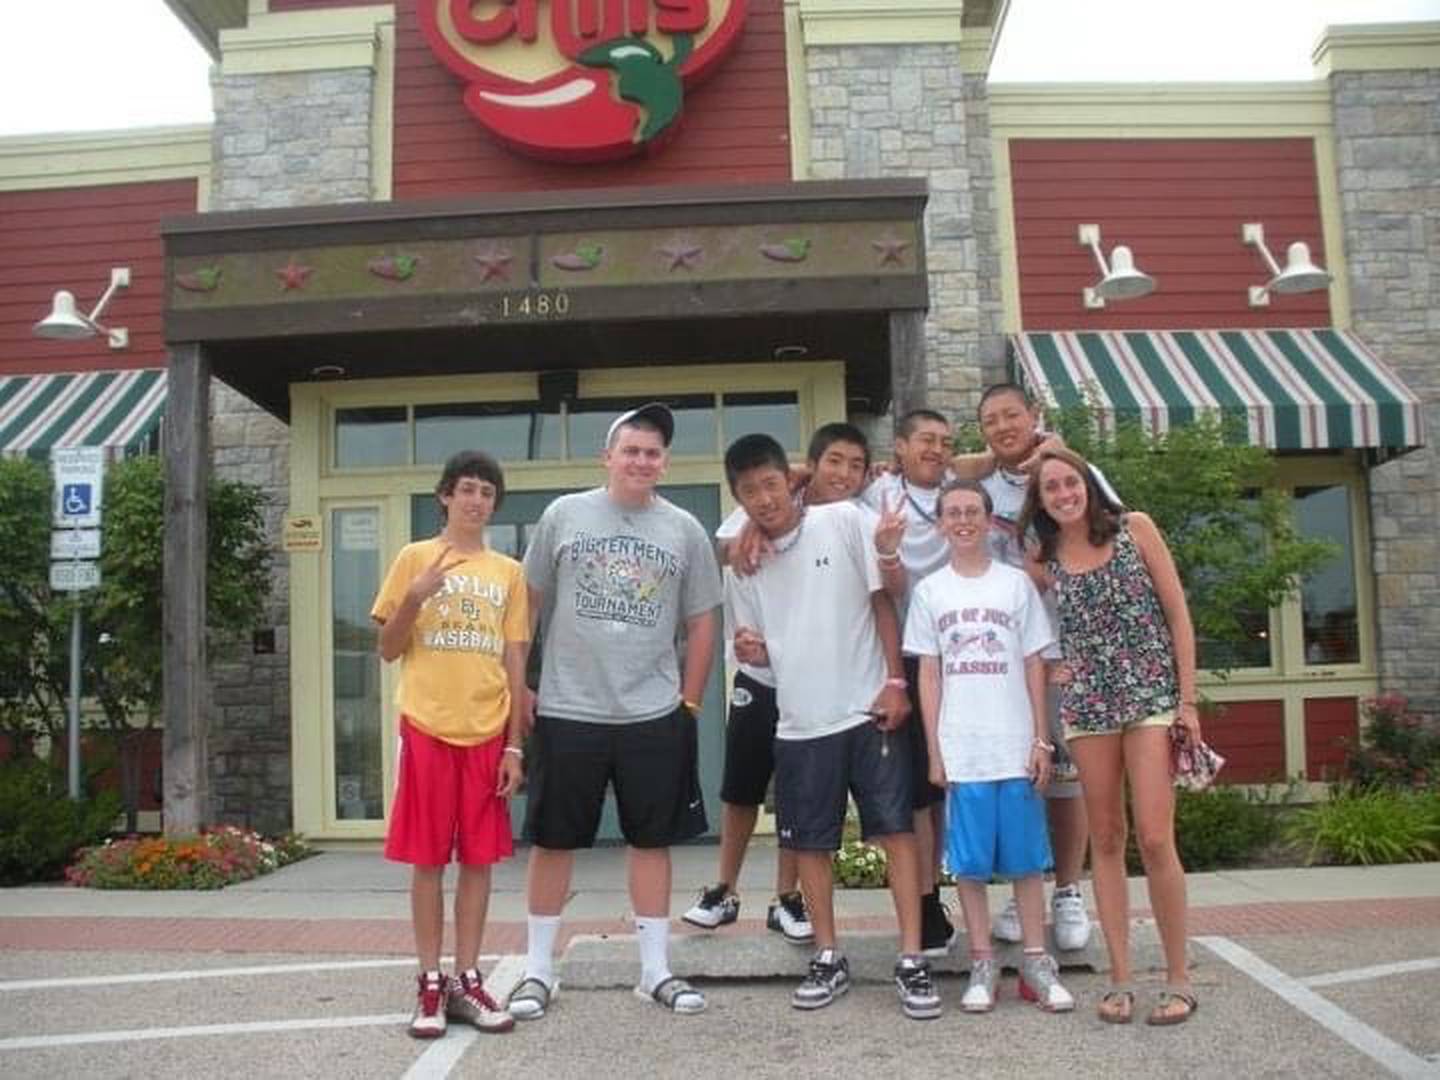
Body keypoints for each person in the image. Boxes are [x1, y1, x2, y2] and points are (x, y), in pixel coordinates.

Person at [507, 402, 722, 1020]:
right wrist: (521, 683)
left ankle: (655, 971)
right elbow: (528, 606)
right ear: (608, 457)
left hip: (651, 712)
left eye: (652, 452)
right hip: (569, 709)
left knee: (651, 841)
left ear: (665, 463)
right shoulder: (563, 515)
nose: (641, 461)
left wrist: (689, 702)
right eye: (631, 450)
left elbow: (704, 621)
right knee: (553, 840)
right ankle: (538, 971)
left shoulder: (683, 529)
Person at [724, 433, 942, 1021]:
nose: (764, 498)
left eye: (771, 483)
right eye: (749, 492)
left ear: (790, 479)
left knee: (896, 832)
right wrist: (753, 649)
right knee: (809, 844)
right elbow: (756, 649)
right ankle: (827, 953)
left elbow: (885, 599)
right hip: (799, 722)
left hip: (868, 708)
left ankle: (912, 957)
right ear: (738, 499)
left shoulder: (843, 519)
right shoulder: (744, 561)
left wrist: (896, 682)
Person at [683, 422, 890, 943]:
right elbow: (725, 544)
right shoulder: (764, 499)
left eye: (855, 464)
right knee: (742, 787)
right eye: (833, 461)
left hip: (826, 681)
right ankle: (723, 889)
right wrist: (767, 509)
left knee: (798, 797)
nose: (843, 473)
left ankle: (787, 898)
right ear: (811, 465)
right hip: (762, 675)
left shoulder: (853, 518)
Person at [1019, 446, 1201, 1026]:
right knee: (1104, 835)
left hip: (1148, 695)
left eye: (1070, 482)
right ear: (1041, 502)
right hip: (1089, 704)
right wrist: (1056, 668)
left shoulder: (1136, 528)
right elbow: (1040, 633)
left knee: (1152, 836)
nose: (1064, 494)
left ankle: (1178, 979)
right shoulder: (1043, 557)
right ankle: (1120, 979)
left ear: (1088, 484)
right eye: (1051, 489)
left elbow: (1177, 615)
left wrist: (1188, 702)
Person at [371, 450, 528, 1039]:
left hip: (487, 731)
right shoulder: (415, 557)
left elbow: (515, 660)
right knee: (429, 859)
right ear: (445, 496)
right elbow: (387, 649)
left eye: (487, 492)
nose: (476, 500)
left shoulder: (506, 572)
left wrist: (515, 746)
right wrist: (416, 595)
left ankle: (467, 977)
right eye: (466, 489)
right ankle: (430, 982)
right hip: (428, 726)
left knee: (481, 862)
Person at [904, 481, 1075, 1014]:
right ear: (940, 524)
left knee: (1026, 863)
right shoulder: (931, 592)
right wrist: (934, 751)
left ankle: (1035, 961)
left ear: (987, 518)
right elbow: (928, 676)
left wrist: (1041, 739)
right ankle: (982, 961)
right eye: (952, 512)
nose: (962, 520)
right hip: (963, 746)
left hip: (1015, 744)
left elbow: (1034, 665)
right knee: (972, 865)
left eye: (972, 511)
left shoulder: (1016, 586)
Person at [973, 383, 1096, 952]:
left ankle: (1069, 891)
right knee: (1021, 776)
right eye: (991, 420)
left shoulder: (1072, 475)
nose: (1003, 426)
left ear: (1034, 417)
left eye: (1012, 415)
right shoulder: (981, 487)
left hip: (1063, 654)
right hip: (997, 663)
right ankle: (1027, 891)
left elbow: (1109, 542)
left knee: (1068, 779)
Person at [860, 409, 957, 955]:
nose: (936, 450)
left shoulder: (963, 493)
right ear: (899, 447)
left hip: (960, 656)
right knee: (917, 790)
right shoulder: (876, 497)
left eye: (945, 442)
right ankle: (922, 899)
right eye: (925, 440)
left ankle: (939, 891)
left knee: (946, 788)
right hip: (902, 657)